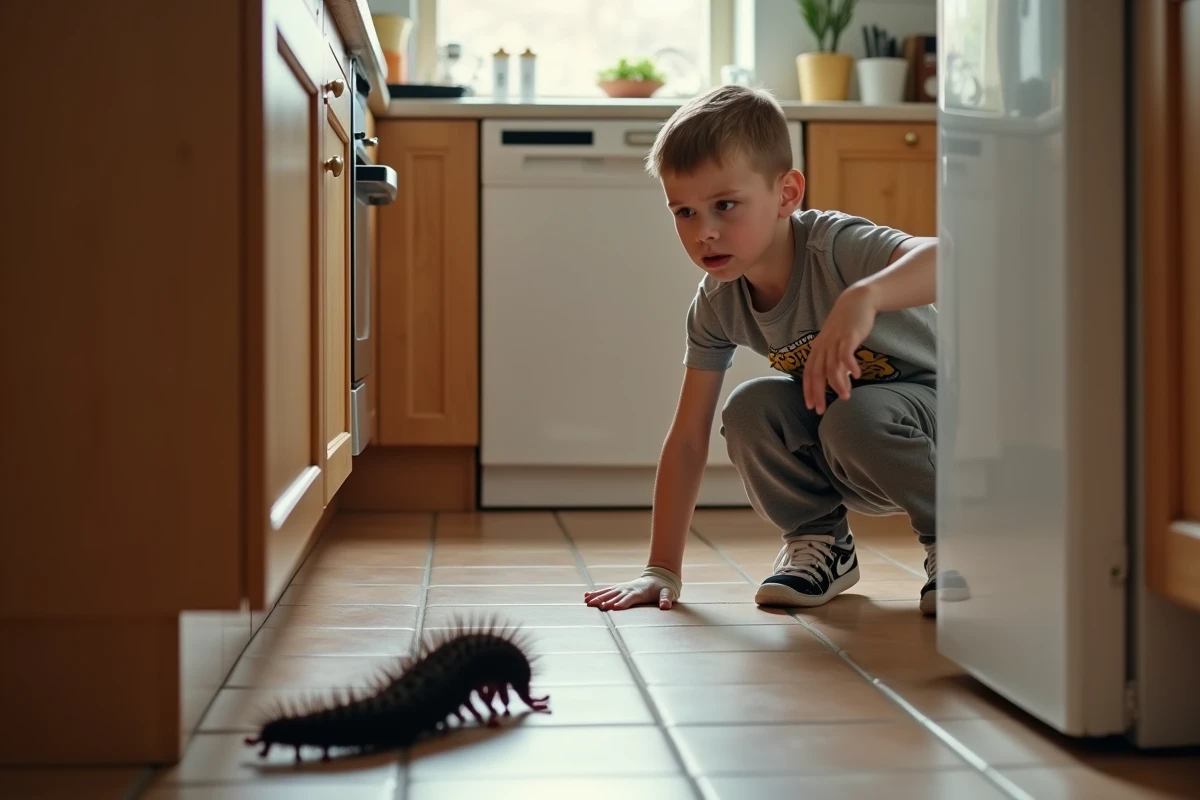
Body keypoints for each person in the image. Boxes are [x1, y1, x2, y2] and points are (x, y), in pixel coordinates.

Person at [581, 84, 951, 617]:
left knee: (857, 414)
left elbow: (951, 257)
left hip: (947, 427)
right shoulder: (718, 303)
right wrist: (661, 569)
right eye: (684, 212)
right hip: (856, 440)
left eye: (725, 205)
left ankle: (962, 543)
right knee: (750, 407)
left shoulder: (837, 247)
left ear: (786, 193)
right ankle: (823, 546)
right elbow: (688, 437)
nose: (704, 232)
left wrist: (865, 297)